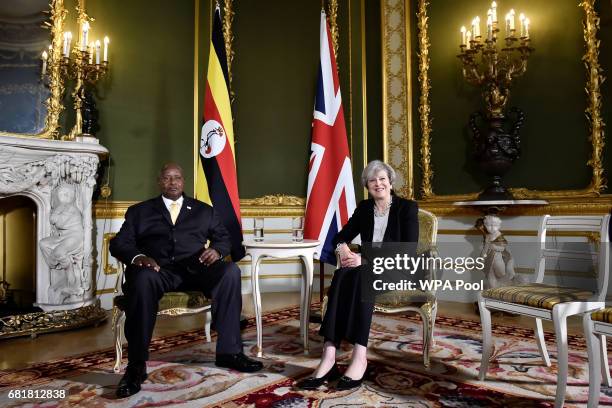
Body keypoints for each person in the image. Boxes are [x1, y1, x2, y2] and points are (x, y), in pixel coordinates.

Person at [109, 163, 262, 399]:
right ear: (159, 182)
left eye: (177, 178)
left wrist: (218, 252)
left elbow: (224, 239)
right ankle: (136, 366)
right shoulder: (140, 211)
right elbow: (120, 244)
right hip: (157, 271)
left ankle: (229, 353)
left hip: (196, 270)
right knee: (141, 280)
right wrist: (140, 258)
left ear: (183, 181)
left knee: (229, 271)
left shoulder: (204, 210)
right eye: (168, 178)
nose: (173, 182)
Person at [297, 160, 419, 391]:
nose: (378, 184)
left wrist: (365, 259)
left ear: (390, 182)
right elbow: (341, 236)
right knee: (343, 274)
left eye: (382, 179)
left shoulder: (407, 208)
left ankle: (359, 357)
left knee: (362, 276)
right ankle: (329, 355)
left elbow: (408, 249)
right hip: (369, 269)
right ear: (367, 185)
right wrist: (342, 248)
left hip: (397, 268)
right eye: (372, 181)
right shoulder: (364, 208)